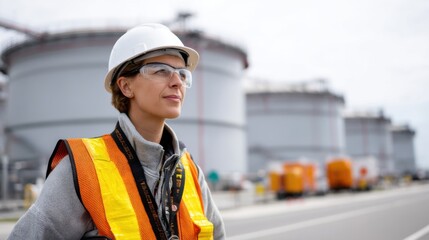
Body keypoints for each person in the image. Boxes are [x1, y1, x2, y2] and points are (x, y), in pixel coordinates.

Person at [8, 23, 226, 240]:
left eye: (182, 73)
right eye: (161, 71)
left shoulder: (189, 171)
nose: (177, 82)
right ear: (125, 86)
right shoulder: (83, 170)